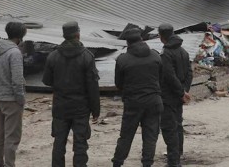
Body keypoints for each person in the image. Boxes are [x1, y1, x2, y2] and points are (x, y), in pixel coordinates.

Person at [112, 27, 183, 167]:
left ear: (128, 43)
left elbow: (118, 84)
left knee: (126, 136)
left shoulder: (122, 60)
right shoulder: (156, 56)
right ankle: (147, 164)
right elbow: (160, 78)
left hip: (133, 102)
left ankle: (117, 163)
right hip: (154, 101)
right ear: (142, 39)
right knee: (150, 137)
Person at [42, 21, 100, 167]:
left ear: (64, 36)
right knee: (80, 142)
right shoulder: (87, 56)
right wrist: (96, 110)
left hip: (60, 107)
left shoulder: (53, 56)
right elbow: (92, 86)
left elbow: (47, 81)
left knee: (59, 142)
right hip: (81, 108)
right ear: (78, 35)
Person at [0, 22, 27, 167]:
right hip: (12, 100)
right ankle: (10, 164)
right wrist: (20, 99)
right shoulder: (15, 53)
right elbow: (17, 80)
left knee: (1, 134)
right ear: (21, 36)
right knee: (12, 136)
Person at [158, 24, 193, 167]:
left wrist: (180, 92)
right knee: (178, 125)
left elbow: (169, 76)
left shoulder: (166, 53)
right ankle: (178, 155)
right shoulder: (183, 51)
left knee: (169, 128)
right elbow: (189, 73)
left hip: (169, 96)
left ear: (161, 36)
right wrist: (184, 91)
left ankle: (173, 161)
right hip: (179, 96)